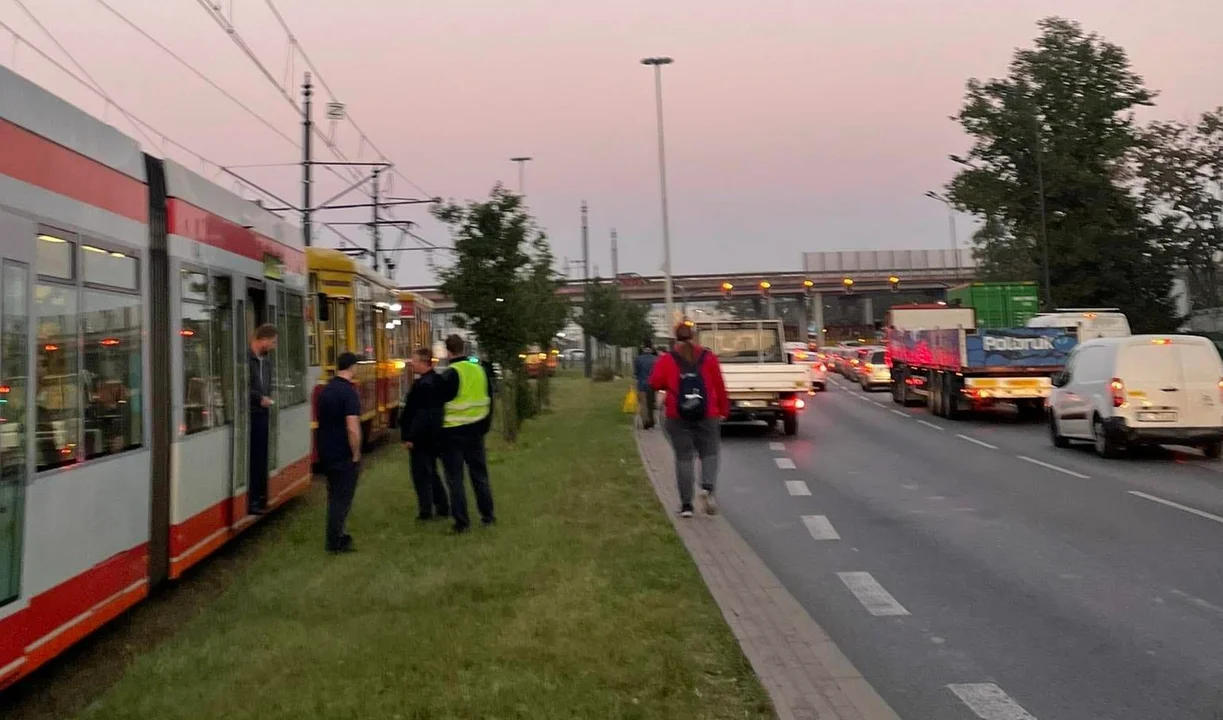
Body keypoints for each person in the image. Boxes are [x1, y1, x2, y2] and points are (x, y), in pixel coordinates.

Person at [649, 322, 729, 518]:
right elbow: (719, 385)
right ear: (693, 335)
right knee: (710, 452)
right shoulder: (708, 357)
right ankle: (707, 489)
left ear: (675, 337)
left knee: (684, 457)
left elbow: (654, 382)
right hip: (707, 413)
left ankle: (686, 506)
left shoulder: (668, 359)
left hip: (677, 415)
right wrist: (723, 410)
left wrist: (670, 385)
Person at [439, 334, 495, 534]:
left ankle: (462, 522)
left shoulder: (449, 374)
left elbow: (439, 406)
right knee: (480, 475)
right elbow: (490, 398)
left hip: (453, 434)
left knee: (455, 479)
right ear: (464, 348)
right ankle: (488, 516)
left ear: (448, 351)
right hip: (476, 431)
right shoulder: (480, 370)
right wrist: (485, 426)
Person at [317, 352, 363, 553]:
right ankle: (336, 541)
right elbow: (352, 427)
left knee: (333, 495)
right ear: (352, 368)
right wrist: (356, 453)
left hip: (326, 450)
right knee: (341, 499)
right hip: (343, 452)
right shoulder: (349, 393)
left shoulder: (326, 391)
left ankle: (337, 536)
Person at [401, 347, 450, 521]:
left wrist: (410, 437)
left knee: (421, 474)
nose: (411, 364)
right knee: (432, 472)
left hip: (421, 438)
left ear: (423, 362)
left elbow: (420, 414)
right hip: (434, 435)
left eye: (414, 361)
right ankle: (442, 505)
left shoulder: (423, 385)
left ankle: (426, 511)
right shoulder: (436, 381)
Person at [247, 323, 278, 515]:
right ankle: (252, 501)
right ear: (263, 339)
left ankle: (259, 498)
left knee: (261, 457)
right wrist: (259, 398)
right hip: (251, 413)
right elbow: (239, 384)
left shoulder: (265, 361)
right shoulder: (245, 359)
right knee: (254, 458)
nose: (274, 346)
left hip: (263, 413)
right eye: (273, 342)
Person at [633, 345, 658, 429]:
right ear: (651, 349)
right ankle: (651, 420)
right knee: (651, 403)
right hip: (652, 384)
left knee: (643, 403)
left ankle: (645, 421)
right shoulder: (656, 359)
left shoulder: (638, 359)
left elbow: (636, 373)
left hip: (642, 384)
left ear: (643, 349)